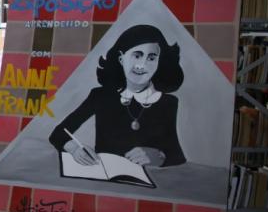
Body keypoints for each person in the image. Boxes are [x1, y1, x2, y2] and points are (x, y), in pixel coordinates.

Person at [49, 24, 186, 168]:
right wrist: (75, 149)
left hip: (149, 183)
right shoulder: (100, 96)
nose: (142, 65)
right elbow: (58, 134)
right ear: (121, 59)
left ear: (159, 62)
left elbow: (176, 155)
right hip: (104, 179)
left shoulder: (167, 103)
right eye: (137, 55)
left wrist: (158, 156)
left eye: (151, 58)